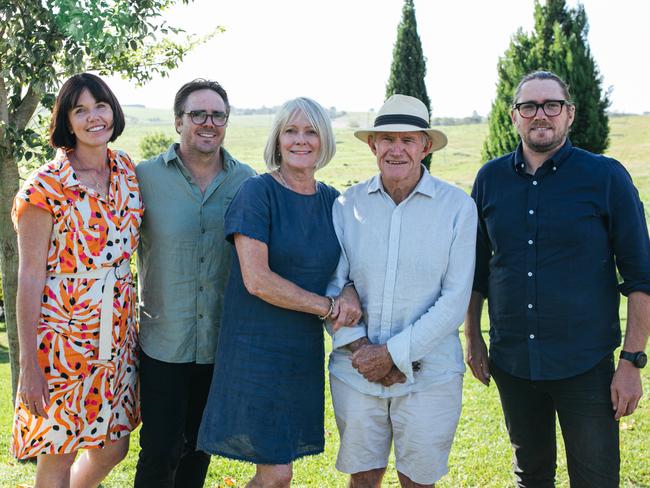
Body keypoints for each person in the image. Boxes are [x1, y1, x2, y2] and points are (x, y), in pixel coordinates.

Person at [466, 70, 650, 487]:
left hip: (585, 365)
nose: (540, 115)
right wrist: (473, 335)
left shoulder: (606, 178)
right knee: (530, 475)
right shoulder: (490, 180)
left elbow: (641, 276)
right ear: (514, 117)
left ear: (569, 114)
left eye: (551, 105)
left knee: (595, 479)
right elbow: (476, 269)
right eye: (528, 106)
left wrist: (631, 362)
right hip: (512, 363)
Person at [197, 97, 361, 487]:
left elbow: (351, 266)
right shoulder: (257, 193)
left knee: (280, 473)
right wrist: (327, 306)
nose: (300, 140)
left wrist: (350, 290)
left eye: (311, 131)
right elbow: (257, 279)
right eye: (291, 131)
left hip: (300, 354)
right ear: (277, 139)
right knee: (276, 474)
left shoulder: (333, 201)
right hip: (255, 350)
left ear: (324, 140)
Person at [327, 94, 478, 487]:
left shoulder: (458, 208)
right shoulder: (347, 204)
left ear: (425, 146)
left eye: (408, 139)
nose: (397, 149)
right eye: (387, 139)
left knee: (418, 481)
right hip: (355, 370)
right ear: (372, 145)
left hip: (430, 375)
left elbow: (454, 299)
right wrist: (363, 352)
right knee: (364, 479)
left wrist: (393, 355)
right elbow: (333, 284)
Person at [12, 73, 142, 487]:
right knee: (59, 453)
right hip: (62, 338)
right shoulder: (44, 187)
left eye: (100, 106)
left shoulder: (126, 170)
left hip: (117, 334)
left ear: (113, 111)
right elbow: (29, 277)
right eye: (80, 110)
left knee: (113, 446)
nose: (93, 117)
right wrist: (29, 365)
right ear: (67, 122)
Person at [134, 79, 255, 488]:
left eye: (217, 114)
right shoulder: (143, 178)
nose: (208, 122)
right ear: (177, 121)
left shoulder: (247, 183)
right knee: (159, 453)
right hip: (163, 344)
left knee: (198, 451)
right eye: (197, 114)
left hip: (219, 348)